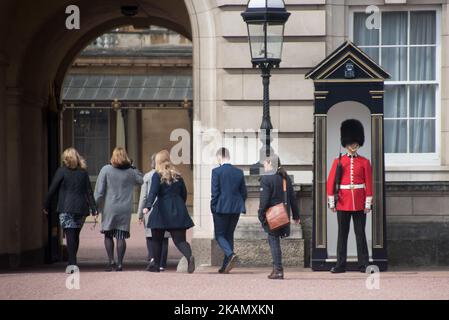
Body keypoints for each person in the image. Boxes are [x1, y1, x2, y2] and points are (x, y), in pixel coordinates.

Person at [327, 119, 372, 274]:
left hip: (359, 202)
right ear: (346, 143)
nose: (354, 145)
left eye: (356, 143)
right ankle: (340, 265)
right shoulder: (338, 161)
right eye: (351, 143)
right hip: (343, 202)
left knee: (360, 234)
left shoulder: (365, 162)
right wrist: (332, 202)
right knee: (342, 235)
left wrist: (368, 203)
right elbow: (330, 182)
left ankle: (364, 264)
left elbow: (369, 184)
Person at [44, 148, 97, 273]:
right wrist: (94, 208)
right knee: (75, 235)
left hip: (66, 208)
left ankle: (72, 263)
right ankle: (72, 262)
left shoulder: (61, 171)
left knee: (70, 235)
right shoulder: (83, 173)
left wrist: (46, 205)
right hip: (81, 209)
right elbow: (89, 192)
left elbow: (52, 189)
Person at [143, 150, 195, 273]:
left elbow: (153, 192)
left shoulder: (157, 175)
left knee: (157, 239)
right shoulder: (178, 175)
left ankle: (156, 265)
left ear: (158, 161)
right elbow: (184, 193)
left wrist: (148, 206)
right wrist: (179, 205)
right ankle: (189, 256)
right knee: (180, 240)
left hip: (161, 210)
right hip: (178, 209)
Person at [94, 147, 143, 272]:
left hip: (109, 207)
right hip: (125, 208)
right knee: (121, 236)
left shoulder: (106, 169)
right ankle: (120, 263)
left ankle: (111, 261)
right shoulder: (131, 172)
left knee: (108, 234)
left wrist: (94, 206)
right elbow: (141, 180)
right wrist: (133, 166)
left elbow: (99, 191)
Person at [258, 154, 300, 280]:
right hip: (283, 215)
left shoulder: (266, 179)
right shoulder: (285, 177)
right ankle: (276, 268)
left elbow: (264, 200)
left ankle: (278, 270)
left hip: (272, 215)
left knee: (274, 242)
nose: (264, 166)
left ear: (271, 164)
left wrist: (260, 214)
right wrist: (296, 216)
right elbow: (293, 198)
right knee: (275, 242)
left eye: (265, 163)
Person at [210, 147, 247, 273]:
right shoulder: (239, 172)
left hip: (221, 207)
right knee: (229, 235)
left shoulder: (216, 171)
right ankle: (225, 266)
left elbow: (215, 192)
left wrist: (213, 207)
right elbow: (244, 193)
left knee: (219, 235)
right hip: (236, 207)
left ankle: (231, 255)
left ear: (219, 157)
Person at [137, 153, 169, 271]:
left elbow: (143, 197)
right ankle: (162, 263)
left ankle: (152, 259)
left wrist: (140, 213)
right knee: (164, 237)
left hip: (150, 210)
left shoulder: (147, 176)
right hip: (164, 209)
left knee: (150, 237)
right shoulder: (168, 174)